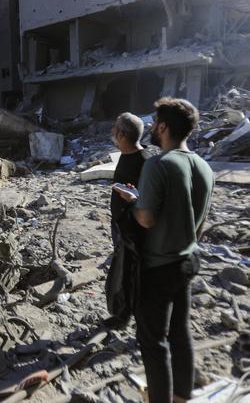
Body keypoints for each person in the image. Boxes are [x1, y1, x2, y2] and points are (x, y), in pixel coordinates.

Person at [115, 97, 214, 403]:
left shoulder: (159, 165)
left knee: (153, 342)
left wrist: (132, 203)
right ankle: (182, 396)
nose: (153, 128)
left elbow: (146, 218)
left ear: (164, 127)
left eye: (156, 122)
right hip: (187, 260)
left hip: (157, 267)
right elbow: (199, 225)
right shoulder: (204, 167)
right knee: (180, 332)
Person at [104, 112, 147, 328]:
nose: (112, 131)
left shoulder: (145, 161)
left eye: (115, 128)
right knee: (123, 271)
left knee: (132, 273)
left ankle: (132, 317)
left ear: (122, 134)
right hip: (120, 224)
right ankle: (123, 314)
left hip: (135, 227)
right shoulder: (125, 155)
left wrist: (132, 198)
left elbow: (150, 199)